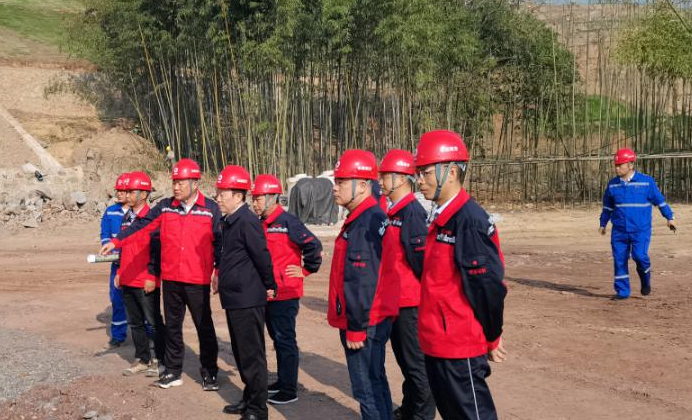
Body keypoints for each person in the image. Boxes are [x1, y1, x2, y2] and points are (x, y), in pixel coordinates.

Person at [100, 158, 221, 391]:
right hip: (172, 279)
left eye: (181, 182)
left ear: (195, 183)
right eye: (174, 182)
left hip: (196, 280)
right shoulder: (165, 207)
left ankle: (210, 373)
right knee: (173, 328)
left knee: (204, 327)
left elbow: (221, 243)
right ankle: (173, 371)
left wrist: (219, 271)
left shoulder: (210, 209)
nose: (176, 187)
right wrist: (116, 242)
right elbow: (141, 225)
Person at [414, 130, 507, 420]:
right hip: (437, 343)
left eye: (426, 173)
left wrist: (492, 336)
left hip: (459, 347)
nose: (420, 180)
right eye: (419, 173)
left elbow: (487, 288)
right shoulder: (442, 219)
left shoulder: (469, 221)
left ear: (452, 172)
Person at [328, 149, 398, 420]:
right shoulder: (366, 217)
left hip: (364, 322)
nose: (335, 188)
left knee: (367, 389)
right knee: (375, 381)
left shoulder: (366, 222)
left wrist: (356, 328)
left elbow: (362, 281)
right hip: (371, 317)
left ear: (363, 185)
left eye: (341, 182)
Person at [250, 174, 323, 405]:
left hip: (286, 293)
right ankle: (282, 381)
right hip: (268, 293)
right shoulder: (260, 223)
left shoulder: (288, 222)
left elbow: (313, 246)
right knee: (277, 339)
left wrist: (305, 270)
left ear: (272, 197)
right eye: (253, 198)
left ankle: (289, 389)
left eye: (258, 198)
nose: (254, 203)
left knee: (285, 340)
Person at [214, 165, 277, 420]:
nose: (218, 198)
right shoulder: (229, 221)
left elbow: (262, 256)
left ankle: (258, 409)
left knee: (252, 356)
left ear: (238, 195)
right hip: (234, 297)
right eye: (218, 193)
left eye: (222, 193)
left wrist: (270, 284)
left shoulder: (247, 221)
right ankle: (249, 397)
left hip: (247, 298)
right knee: (241, 353)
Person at [378, 150, 435, 420]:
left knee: (416, 364)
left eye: (385, 176)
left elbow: (421, 261)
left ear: (401, 179)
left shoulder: (411, 213)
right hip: (395, 301)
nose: (380, 181)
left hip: (410, 304)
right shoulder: (393, 212)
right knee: (405, 362)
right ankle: (410, 408)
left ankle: (421, 414)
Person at [599, 148, 676, 299]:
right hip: (619, 231)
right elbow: (607, 207)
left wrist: (669, 217)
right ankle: (622, 292)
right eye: (615, 165)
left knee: (640, 257)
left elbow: (660, 202)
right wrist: (603, 224)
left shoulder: (646, 182)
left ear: (631, 165)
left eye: (620, 165)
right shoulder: (613, 185)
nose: (617, 168)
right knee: (619, 260)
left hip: (640, 230)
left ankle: (645, 280)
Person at [117, 171, 165, 378]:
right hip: (128, 277)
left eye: (131, 191)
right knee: (135, 322)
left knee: (153, 322)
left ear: (143, 194)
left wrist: (153, 276)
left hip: (145, 279)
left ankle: (161, 359)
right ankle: (143, 358)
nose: (126, 195)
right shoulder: (127, 217)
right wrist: (120, 272)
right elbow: (123, 246)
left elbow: (157, 250)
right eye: (126, 191)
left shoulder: (151, 218)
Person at [100, 172, 130, 347]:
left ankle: (149, 334)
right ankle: (118, 336)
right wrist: (107, 247)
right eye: (117, 190)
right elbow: (105, 234)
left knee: (142, 301)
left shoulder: (138, 213)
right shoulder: (110, 211)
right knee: (117, 299)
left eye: (122, 190)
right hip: (117, 264)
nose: (118, 193)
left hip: (135, 265)